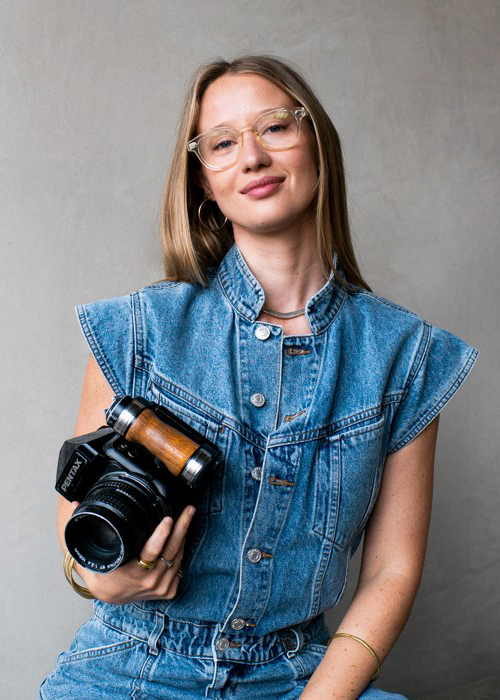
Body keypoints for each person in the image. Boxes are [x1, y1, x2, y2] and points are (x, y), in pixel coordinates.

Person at [40, 55, 478, 700]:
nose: (251, 156)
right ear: (205, 185)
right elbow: (75, 521)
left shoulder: (405, 354)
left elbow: (390, 570)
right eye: (221, 142)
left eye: (274, 127)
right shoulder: (138, 329)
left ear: (316, 144)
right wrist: (98, 579)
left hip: (301, 674)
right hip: (133, 666)